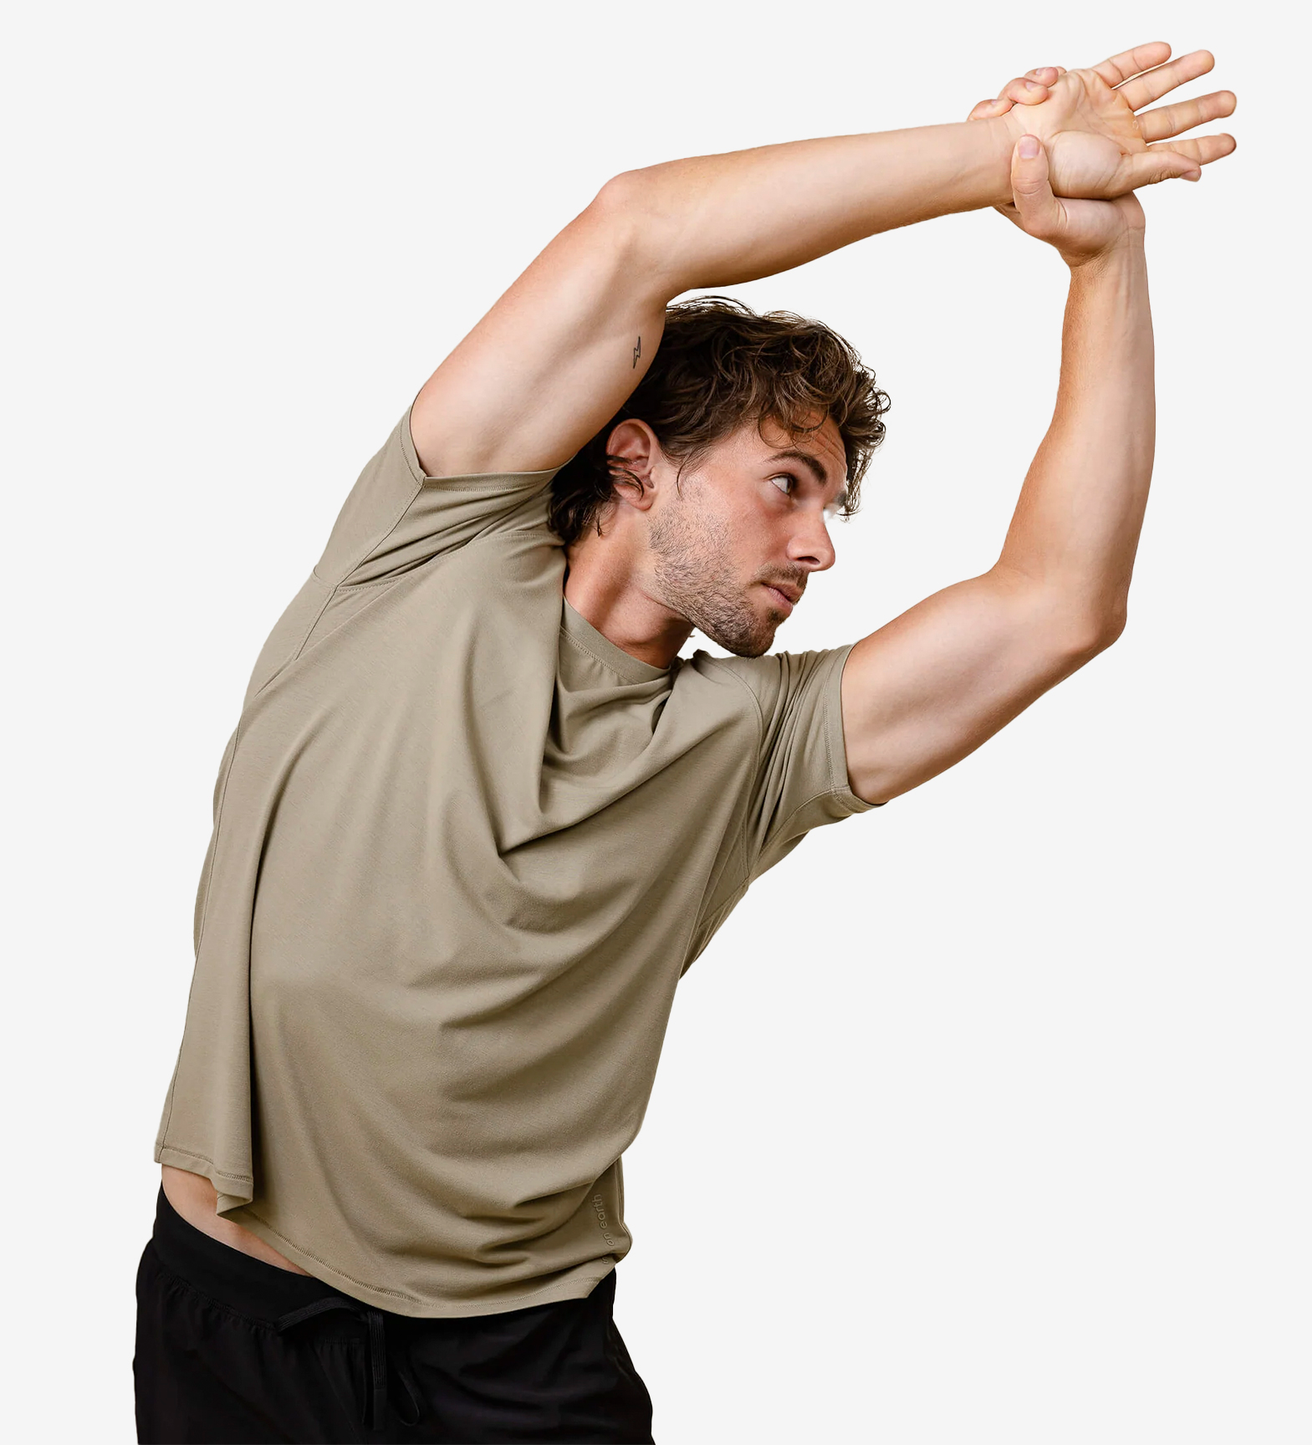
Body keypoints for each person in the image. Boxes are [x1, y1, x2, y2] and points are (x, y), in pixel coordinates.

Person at [136, 41, 1236, 1444]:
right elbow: (638, 228)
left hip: (515, 1350)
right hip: (237, 1311)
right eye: (788, 484)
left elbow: (1060, 600)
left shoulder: (751, 748)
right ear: (637, 459)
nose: (820, 545)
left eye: (831, 505)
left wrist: (1104, 256)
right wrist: (1005, 163)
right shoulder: (426, 544)